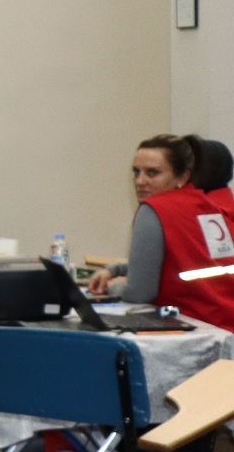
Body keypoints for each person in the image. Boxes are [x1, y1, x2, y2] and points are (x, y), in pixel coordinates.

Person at [85, 134, 234, 330]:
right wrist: (116, 270)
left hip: (198, 329)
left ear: (183, 176)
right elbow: (180, 262)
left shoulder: (154, 209)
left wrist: (111, 286)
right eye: (136, 172)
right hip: (224, 325)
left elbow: (139, 294)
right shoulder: (209, 206)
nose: (140, 181)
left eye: (152, 173)